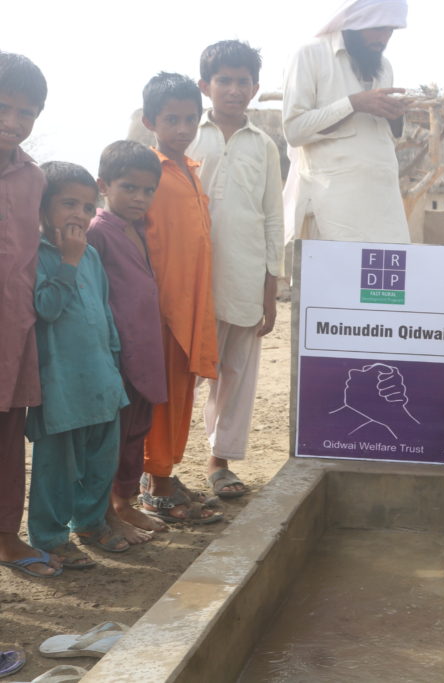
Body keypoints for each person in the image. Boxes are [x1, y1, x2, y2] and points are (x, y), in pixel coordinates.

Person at [188, 40, 284, 498]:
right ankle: (156, 466)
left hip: (246, 277)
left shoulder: (264, 145)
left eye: (242, 81)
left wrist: (271, 287)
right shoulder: (187, 133)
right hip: (189, 280)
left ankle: (218, 461)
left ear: (255, 87)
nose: (233, 89)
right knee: (179, 374)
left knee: (237, 374)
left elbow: (272, 217)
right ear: (205, 86)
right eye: (223, 80)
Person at [28, 162, 130, 569]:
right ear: (42, 207)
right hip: (61, 385)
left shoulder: (89, 254)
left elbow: (104, 313)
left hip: (100, 379)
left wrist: (114, 363)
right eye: (68, 203)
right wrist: (66, 261)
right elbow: (46, 309)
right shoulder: (34, 256)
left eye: (88, 207)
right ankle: (50, 538)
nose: (80, 214)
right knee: (56, 466)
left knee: (101, 458)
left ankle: (89, 523)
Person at [138, 72, 222, 525]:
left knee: (182, 393)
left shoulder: (190, 169)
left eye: (191, 119)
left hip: (192, 305)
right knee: (161, 399)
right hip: (161, 307)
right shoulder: (146, 172)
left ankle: (164, 472)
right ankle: (157, 485)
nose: (183, 129)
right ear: (151, 120)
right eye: (172, 119)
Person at [0, 52, 62, 578]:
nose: (13, 123)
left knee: (7, 438)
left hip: (14, 331)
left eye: (26, 113)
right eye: (3, 108)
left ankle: (6, 538)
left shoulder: (33, 179)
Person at [87, 140, 168, 543]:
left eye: (148, 190)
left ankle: (124, 503)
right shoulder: (98, 231)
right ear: (104, 185)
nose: (140, 198)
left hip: (144, 352)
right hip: (116, 354)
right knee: (109, 439)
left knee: (135, 432)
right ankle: (100, 515)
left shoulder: (138, 229)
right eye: (129, 188)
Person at [282, 0, 410, 245]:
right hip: (334, 209)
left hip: (385, 205)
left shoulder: (383, 67)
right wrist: (353, 104)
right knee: (337, 279)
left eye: (390, 31)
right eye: (377, 28)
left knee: (386, 281)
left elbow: (386, 136)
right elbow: (295, 130)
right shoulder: (309, 54)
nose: (383, 38)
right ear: (355, 21)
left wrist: (395, 114)